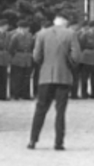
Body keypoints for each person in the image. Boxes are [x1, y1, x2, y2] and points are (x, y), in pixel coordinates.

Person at [28, 13, 82, 150]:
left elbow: (36, 56)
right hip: (63, 76)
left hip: (45, 75)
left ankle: (33, 140)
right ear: (65, 22)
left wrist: (45, 64)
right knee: (60, 111)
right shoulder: (71, 34)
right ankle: (58, 142)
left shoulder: (42, 34)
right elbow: (76, 56)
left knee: (40, 109)